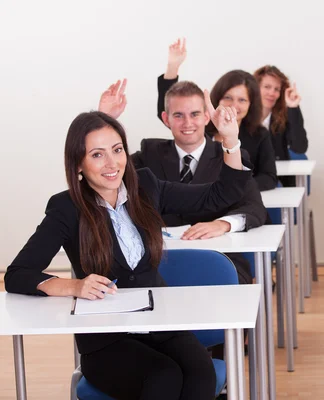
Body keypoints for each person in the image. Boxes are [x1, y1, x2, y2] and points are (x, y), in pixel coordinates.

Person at [4, 86, 251, 399]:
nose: (111, 163)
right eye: (97, 154)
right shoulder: (66, 208)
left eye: (117, 150)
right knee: (163, 378)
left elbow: (219, 195)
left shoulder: (145, 185)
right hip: (108, 339)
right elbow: (18, 274)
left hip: (161, 324)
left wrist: (230, 141)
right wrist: (73, 286)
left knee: (201, 374)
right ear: (78, 164)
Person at [101, 79, 266, 284]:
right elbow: (109, 173)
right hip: (154, 262)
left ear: (207, 116)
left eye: (195, 114)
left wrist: (222, 224)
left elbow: (255, 207)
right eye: (178, 115)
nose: (187, 123)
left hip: (220, 256)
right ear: (166, 118)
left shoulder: (230, 155)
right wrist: (105, 120)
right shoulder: (149, 154)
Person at [157, 38, 278, 191]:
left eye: (242, 100)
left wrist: (233, 186)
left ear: (250, 104)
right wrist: (172, 67)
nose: (234, 105)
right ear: (217, 98)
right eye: (228, 98)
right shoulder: (200, 125)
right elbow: (172, 108)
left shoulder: (260, 135)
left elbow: (269, 177)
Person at [254, 65, 308, 187]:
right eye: (267, 87)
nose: (272, 93)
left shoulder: (282, 118)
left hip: (280, 182)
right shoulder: (242, 117)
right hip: (251, 182)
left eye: (277, 89)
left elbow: (300, 148)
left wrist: (293, 108)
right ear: (255, 88)